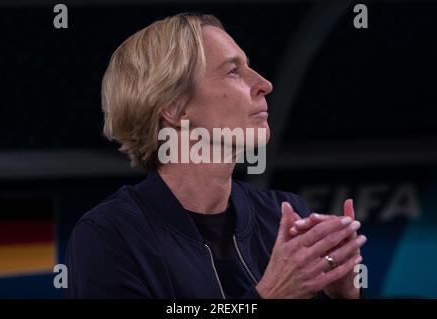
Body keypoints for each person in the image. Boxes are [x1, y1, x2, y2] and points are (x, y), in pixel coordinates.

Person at [65, 13, 366, 299]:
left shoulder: (283, 215)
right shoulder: (108, 237)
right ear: (174, 108)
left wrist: (343, 295)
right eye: (234, 71)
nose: (264, 84)